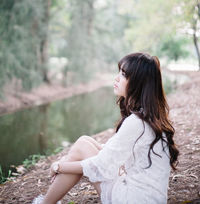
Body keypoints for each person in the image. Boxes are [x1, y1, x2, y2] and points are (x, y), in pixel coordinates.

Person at [32, 52, 179, 204]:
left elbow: (100, 165)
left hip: (134, 199)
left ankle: (45, 203)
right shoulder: (149, 117)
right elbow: (112, 152)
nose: (116, 78)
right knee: (85, 142)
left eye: (123, 74)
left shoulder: (137, 122)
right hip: (149, 198)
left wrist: (59, 166)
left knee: (82, 146)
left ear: (137, 82)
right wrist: (67, 162)